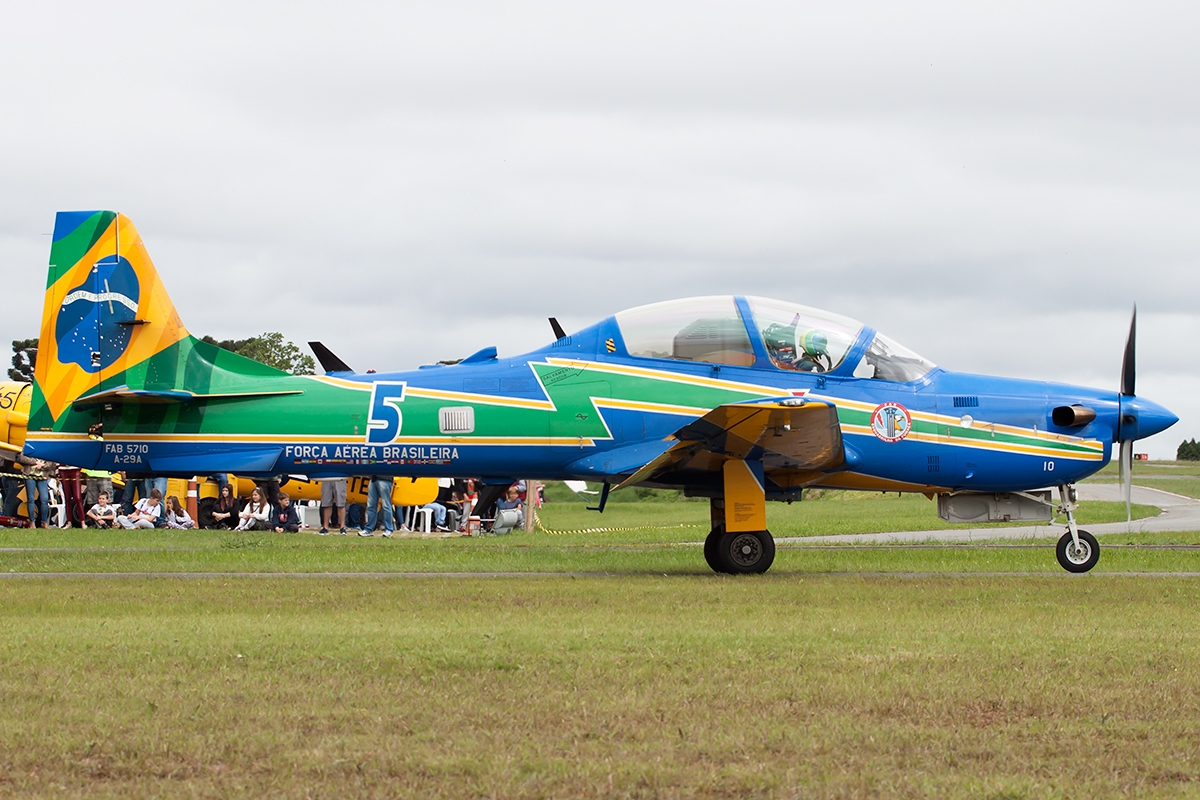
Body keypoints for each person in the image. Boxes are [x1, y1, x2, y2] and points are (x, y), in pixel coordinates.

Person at [17, 454, 57, 528]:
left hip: (42, 477)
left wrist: (42, 465)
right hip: (30, 475)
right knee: (31, 499)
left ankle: (44, 522)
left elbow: (52, 462)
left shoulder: (47, 447)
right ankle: (32, 522)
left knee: (44, 499)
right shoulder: (29, 445)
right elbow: (21, 457)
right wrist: (35, 462)